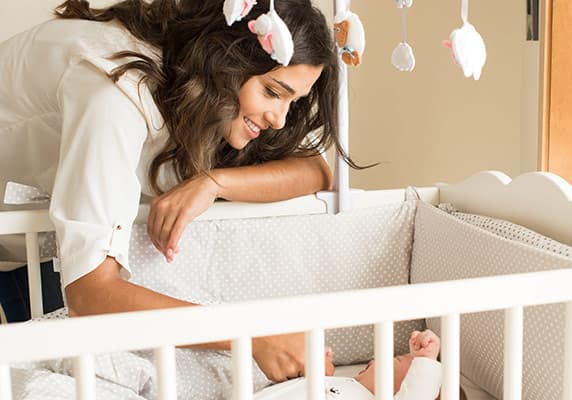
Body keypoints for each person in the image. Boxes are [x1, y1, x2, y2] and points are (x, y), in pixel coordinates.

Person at [0, 0, 356, 382]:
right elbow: (90, 294)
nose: (279, 118)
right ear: (225, 63)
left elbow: (317, 170)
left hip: (41, 242)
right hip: (25, 242)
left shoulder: (200, 96)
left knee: (88, 369)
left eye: (293, 101)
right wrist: (250, 334)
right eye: (273, 92)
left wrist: (214, 183)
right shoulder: (115, 92)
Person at [255, 330, 443, 399]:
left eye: (397, 360)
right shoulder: (343, 384)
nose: (374, 360)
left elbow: (420, 391)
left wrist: (426, 359)